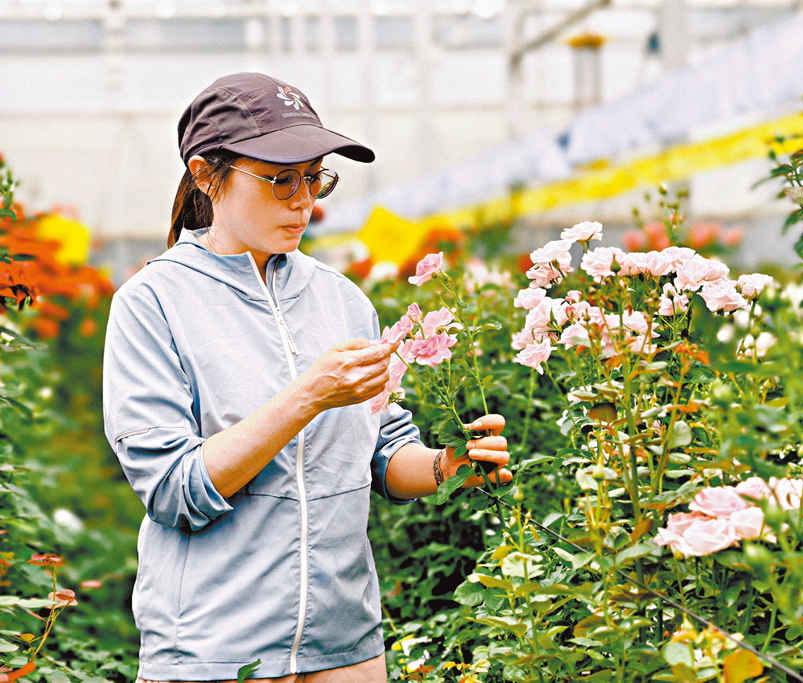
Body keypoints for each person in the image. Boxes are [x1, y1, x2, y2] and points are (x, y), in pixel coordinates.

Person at [102, 72, 512, 683]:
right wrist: (308, 397)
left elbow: (384, 452)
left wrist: (447, 465)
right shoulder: (153, 303)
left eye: (315, 178)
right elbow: (173, 489)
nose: (304, 202)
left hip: (346, 649)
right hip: (216, 653)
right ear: (206, 175)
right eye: (281, 180)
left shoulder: (341, 299)